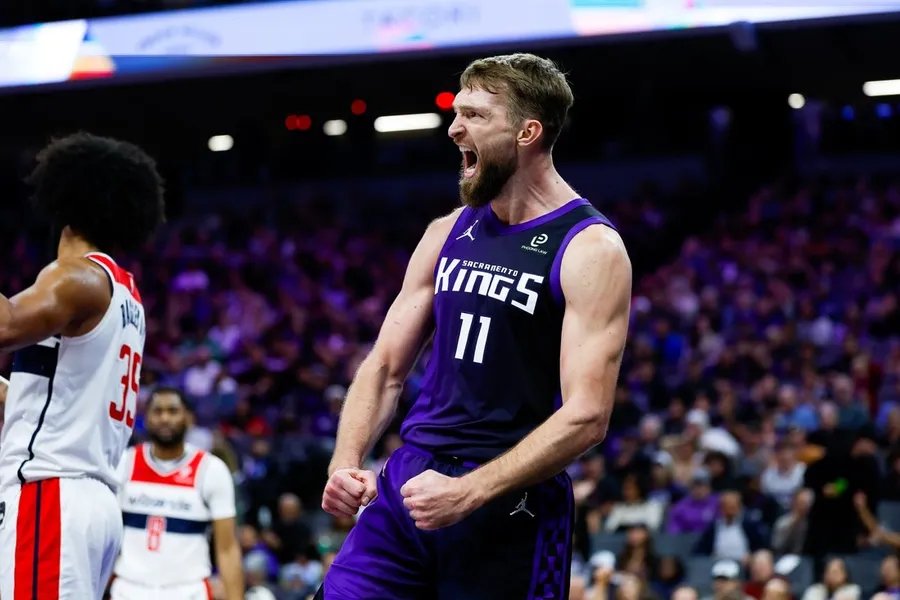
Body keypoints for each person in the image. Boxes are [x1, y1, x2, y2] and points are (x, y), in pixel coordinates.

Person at [318, 53, 632, 599]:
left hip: (509, 499)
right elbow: (385, 366)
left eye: (475, 116)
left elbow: (587, 416)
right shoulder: (446, 231)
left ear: (528, 133)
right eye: (456, 112)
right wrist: (346, 463)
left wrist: (469, 491)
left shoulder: (590, 248)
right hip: (412, 481)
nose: (454, 128)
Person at [0, 133, 165, 599]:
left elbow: (5, 326)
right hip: (88, 500)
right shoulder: (124, 294)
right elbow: (41, 402)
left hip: (52, 494)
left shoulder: (77, 276)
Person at [111, 388, 243, 599]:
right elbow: (106, 537)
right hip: (128, 588)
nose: (165, 418)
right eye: (158, 411)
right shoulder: (124, 463)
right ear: (147, 418)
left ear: (189, 418)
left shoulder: (211, 469)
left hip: (188, 590)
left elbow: (227, 548)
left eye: (173, 411)